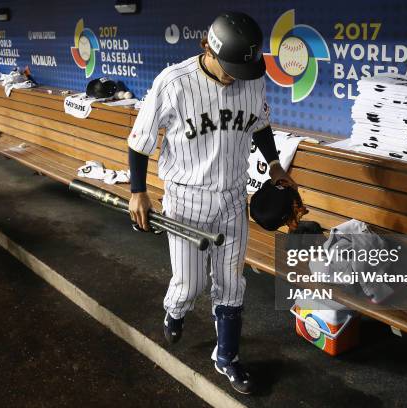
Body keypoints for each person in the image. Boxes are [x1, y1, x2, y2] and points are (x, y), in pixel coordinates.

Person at [127, 11, 296, 394]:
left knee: (231, 285)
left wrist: (273, 165)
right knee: (190, 284)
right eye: (231, 66)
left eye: (244, 66)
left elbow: (260, 124)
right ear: (208, 48)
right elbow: (140, 140)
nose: (236, 74)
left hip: (234, 199)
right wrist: (138, 191)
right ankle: (175, 309)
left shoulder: (250, 78)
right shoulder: (174, 83)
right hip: (187, 200)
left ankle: (227, 358)